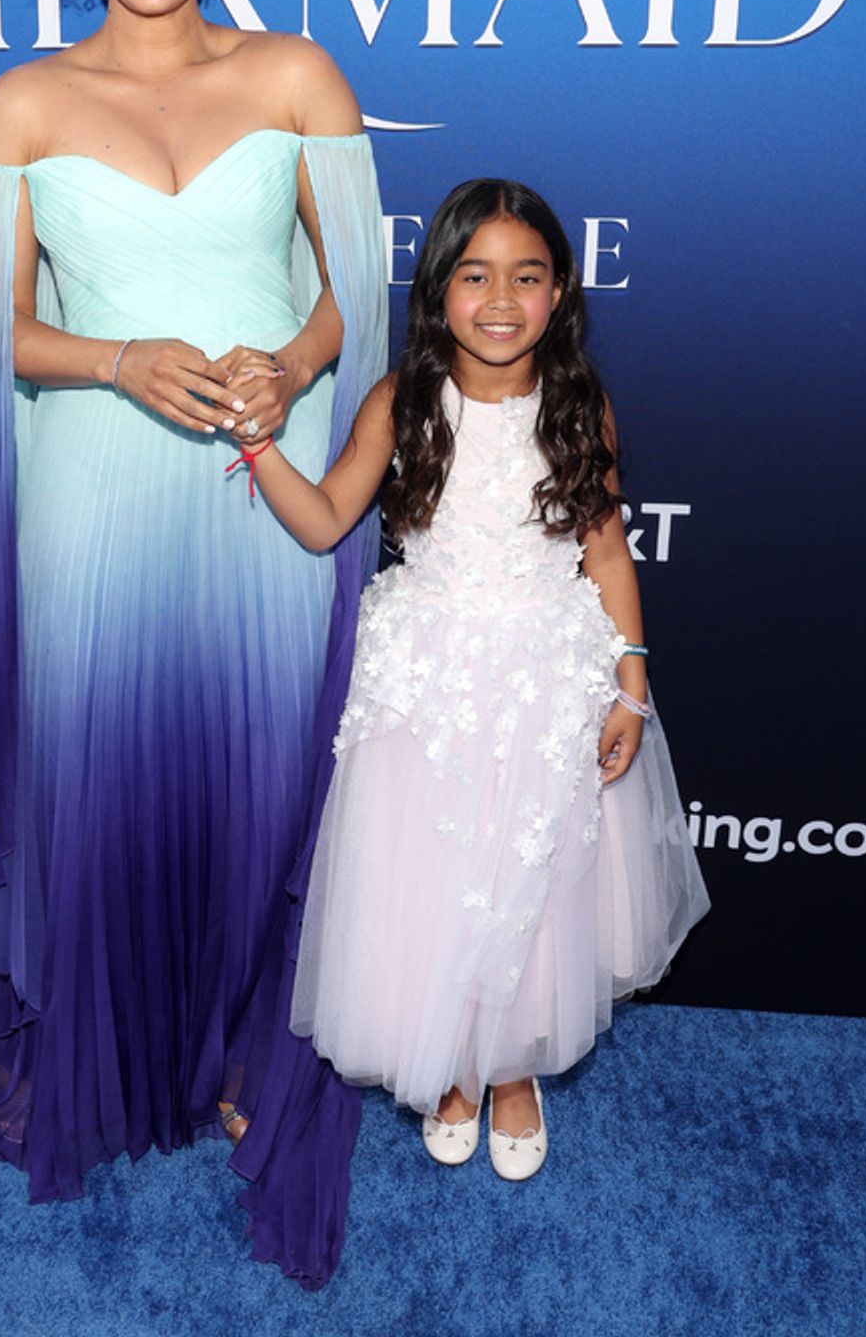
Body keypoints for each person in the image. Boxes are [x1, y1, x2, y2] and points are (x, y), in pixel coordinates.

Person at [0, 0, 386, 1285]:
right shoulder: (24, 104)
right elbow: (0, 334)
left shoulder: (302, 74)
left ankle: (247, 1042)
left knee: (262, 773)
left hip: (267, 472)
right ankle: (111, 1059)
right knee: (104, 776)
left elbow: (358, 296)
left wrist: (291, 366)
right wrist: (120, 360)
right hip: (96, 485)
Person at [227, 178, 709, 1173]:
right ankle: (451, 1058)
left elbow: (609, 554)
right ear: (438, 290)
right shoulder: (404, 400)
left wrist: (630, 681)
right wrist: (259, 446)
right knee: (439, 876)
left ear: (562, 292)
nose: (499, 300)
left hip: (547, 679)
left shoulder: (581, 405)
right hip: (428, 683)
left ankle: (513, 1061)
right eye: (474, 275)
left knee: (534, 882)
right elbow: (324, 520)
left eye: (525, 277)